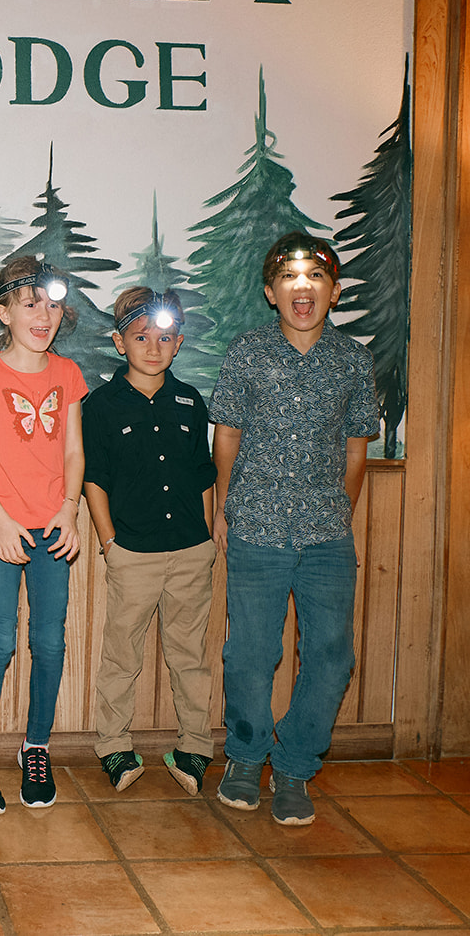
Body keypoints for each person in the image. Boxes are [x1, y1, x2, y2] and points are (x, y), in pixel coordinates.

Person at [210, 232, 378, 826]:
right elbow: (226, 434)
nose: (301, 287)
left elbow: (356, 454)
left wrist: (339, 513)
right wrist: (224, 510)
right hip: (254, 528)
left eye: (315, 277)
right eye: (288, 277)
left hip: (327, 538)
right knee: (250, 655)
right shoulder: (246, 352)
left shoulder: (354, 360)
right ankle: (245, 757)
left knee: (332, 659)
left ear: (333, 292)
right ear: (270, 291)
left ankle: (295, 764)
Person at [0, 254, 88, 815]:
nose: (44, 315)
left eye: (53, 304)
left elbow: (73, 449)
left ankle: (37, 745)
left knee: (50, 642)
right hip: (1, 531)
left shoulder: (68, 375)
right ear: (3, 312)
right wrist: (2, 519)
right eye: (30, 303)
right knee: (0, 641)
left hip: (53, 529)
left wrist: (69, 509)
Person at [83, 288, 217, 795]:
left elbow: (203, 474)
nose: (153, 347)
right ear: (121, 343)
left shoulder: (190, 401)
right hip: (132, 552)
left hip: (189, 549)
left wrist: (204, 539)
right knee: (122, 653)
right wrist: (109, 542)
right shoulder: (100, 405)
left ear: (178, 344)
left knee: (189, 654)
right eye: (141, 337)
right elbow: (94, 479)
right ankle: (115, 745)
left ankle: (194, 747)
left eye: (164, 338)